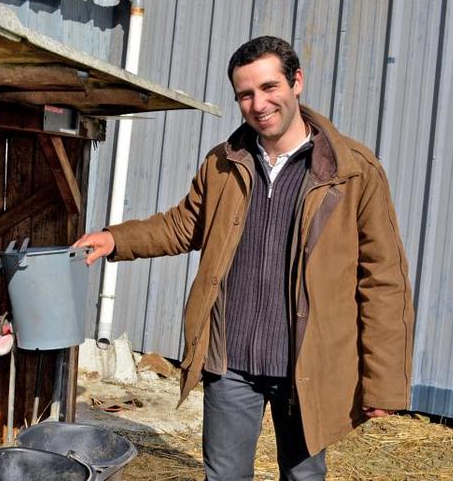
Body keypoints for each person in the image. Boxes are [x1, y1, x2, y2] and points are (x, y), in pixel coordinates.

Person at [73, 36, 414, 480]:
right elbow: (182, 225)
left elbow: (383, 280)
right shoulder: (224, 163)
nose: (259, 103)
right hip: (228, 361)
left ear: (296, 83)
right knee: (225, 475)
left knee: (303, 477)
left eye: (269, 87)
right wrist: (115, 239)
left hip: (307, 362)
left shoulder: (352, 171)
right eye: (245, 94)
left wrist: (383, 381)